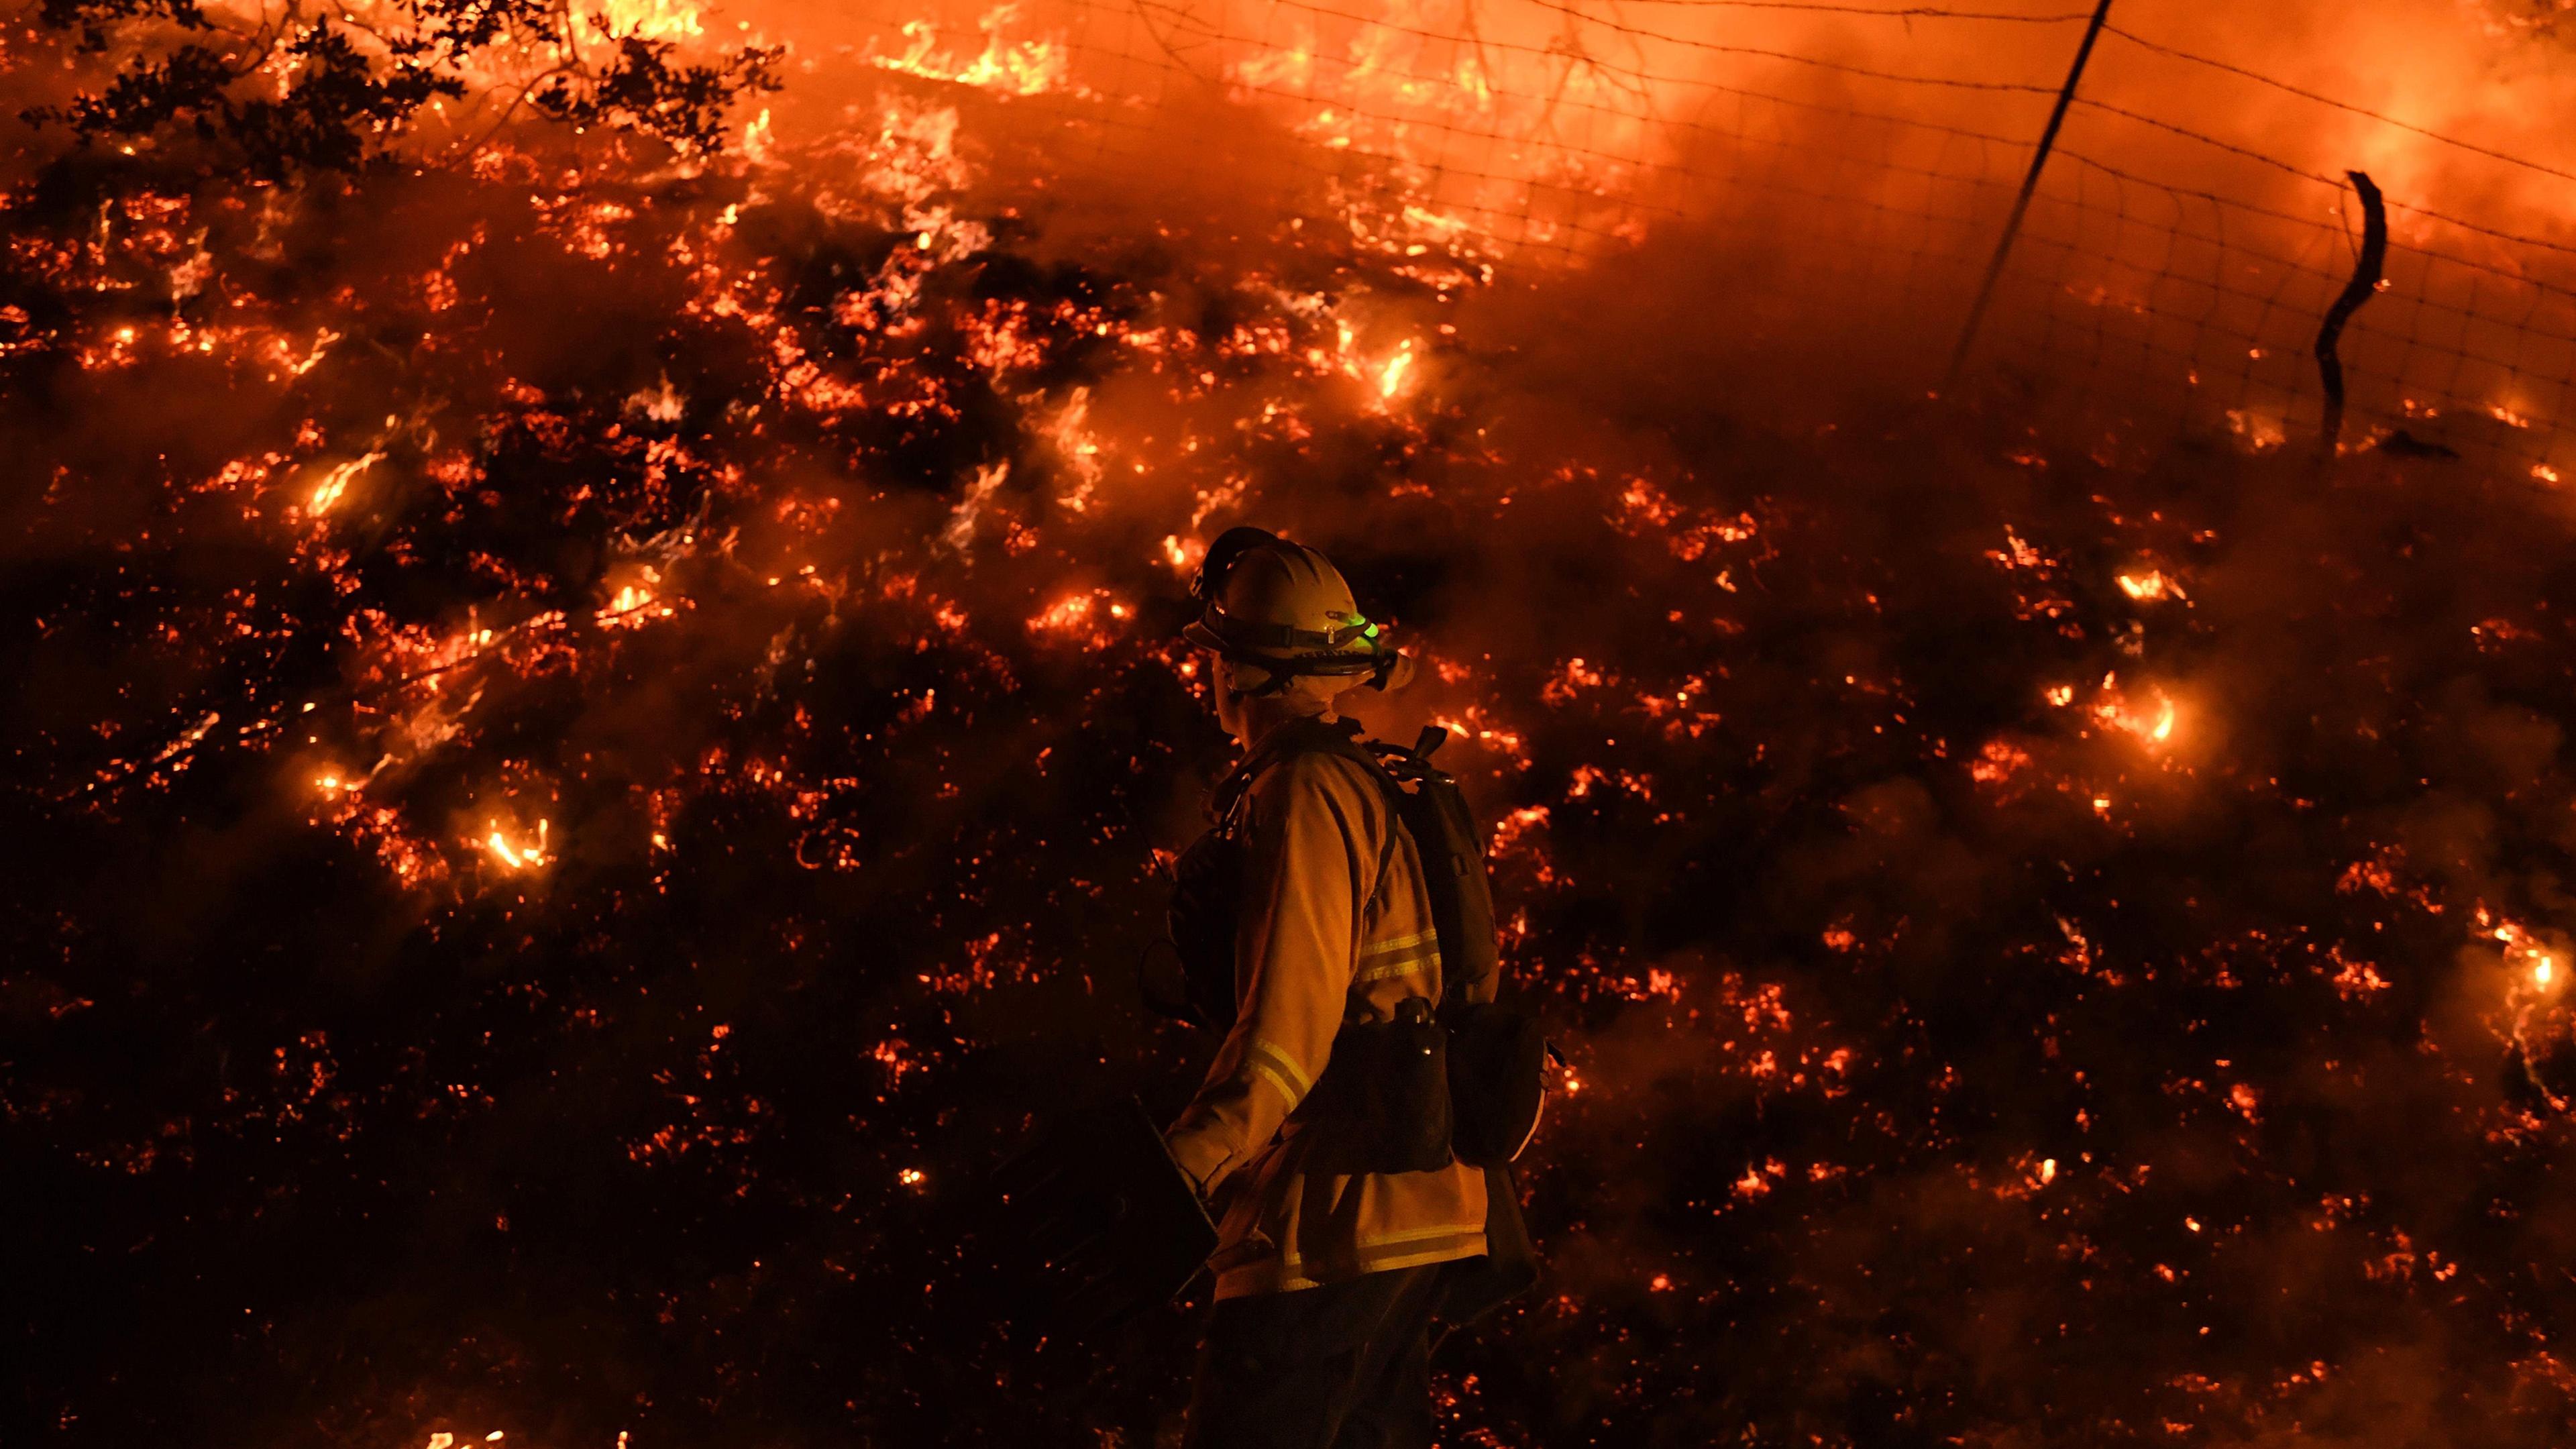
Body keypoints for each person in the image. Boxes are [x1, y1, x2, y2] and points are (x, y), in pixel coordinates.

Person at [1163, 529, 1514, 1449]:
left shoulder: (1307, 792)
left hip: (1335, 1223)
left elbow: (1289, 1027)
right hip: (1421, 1209)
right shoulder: (1373, 780)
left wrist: (1184, 1165)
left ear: (1233, 673)